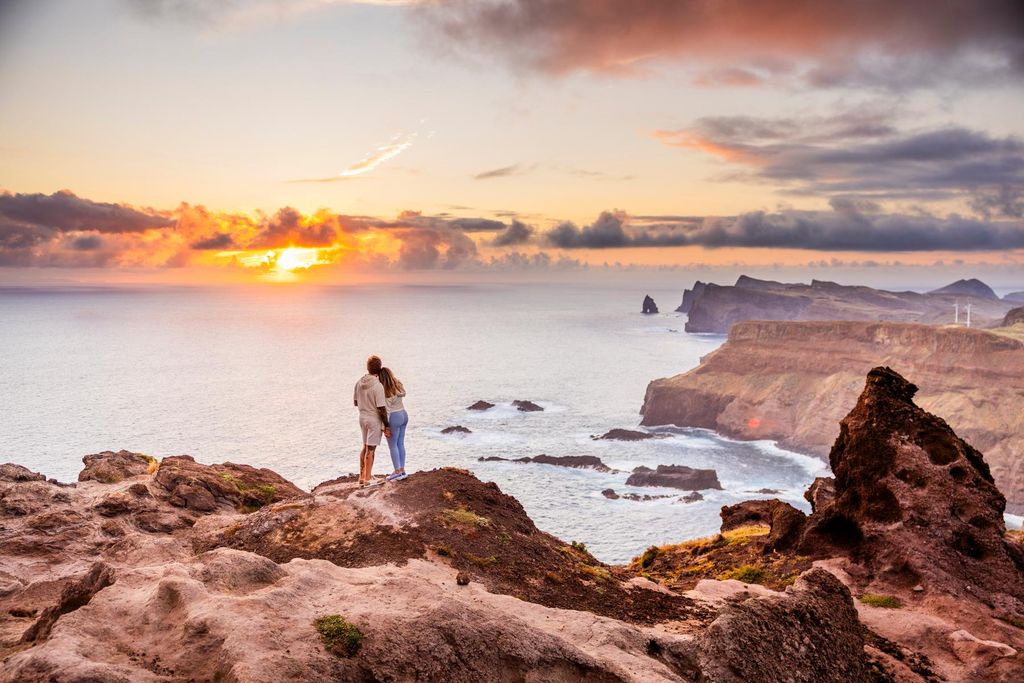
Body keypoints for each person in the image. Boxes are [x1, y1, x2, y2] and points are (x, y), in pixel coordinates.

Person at [353, 355, 391, 487]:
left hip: (362, 417)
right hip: (373, 418)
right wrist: (387, 425)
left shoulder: (359, 382)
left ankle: (362, 477)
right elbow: (381, 409)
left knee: (365, 446)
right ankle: (368, 479)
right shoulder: (377, 386)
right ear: (379, 369)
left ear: (367, 368)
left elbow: (355, 402)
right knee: (371, 449)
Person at [378, 367, 408, 481]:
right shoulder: (398, 385)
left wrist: (385, 427)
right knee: (400, 443)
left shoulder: (386, 391)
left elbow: (387, 411)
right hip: (404, 414)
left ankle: (397, 472)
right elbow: (403, 393)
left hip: (394, 417)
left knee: (393, 445)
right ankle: (402, 470)